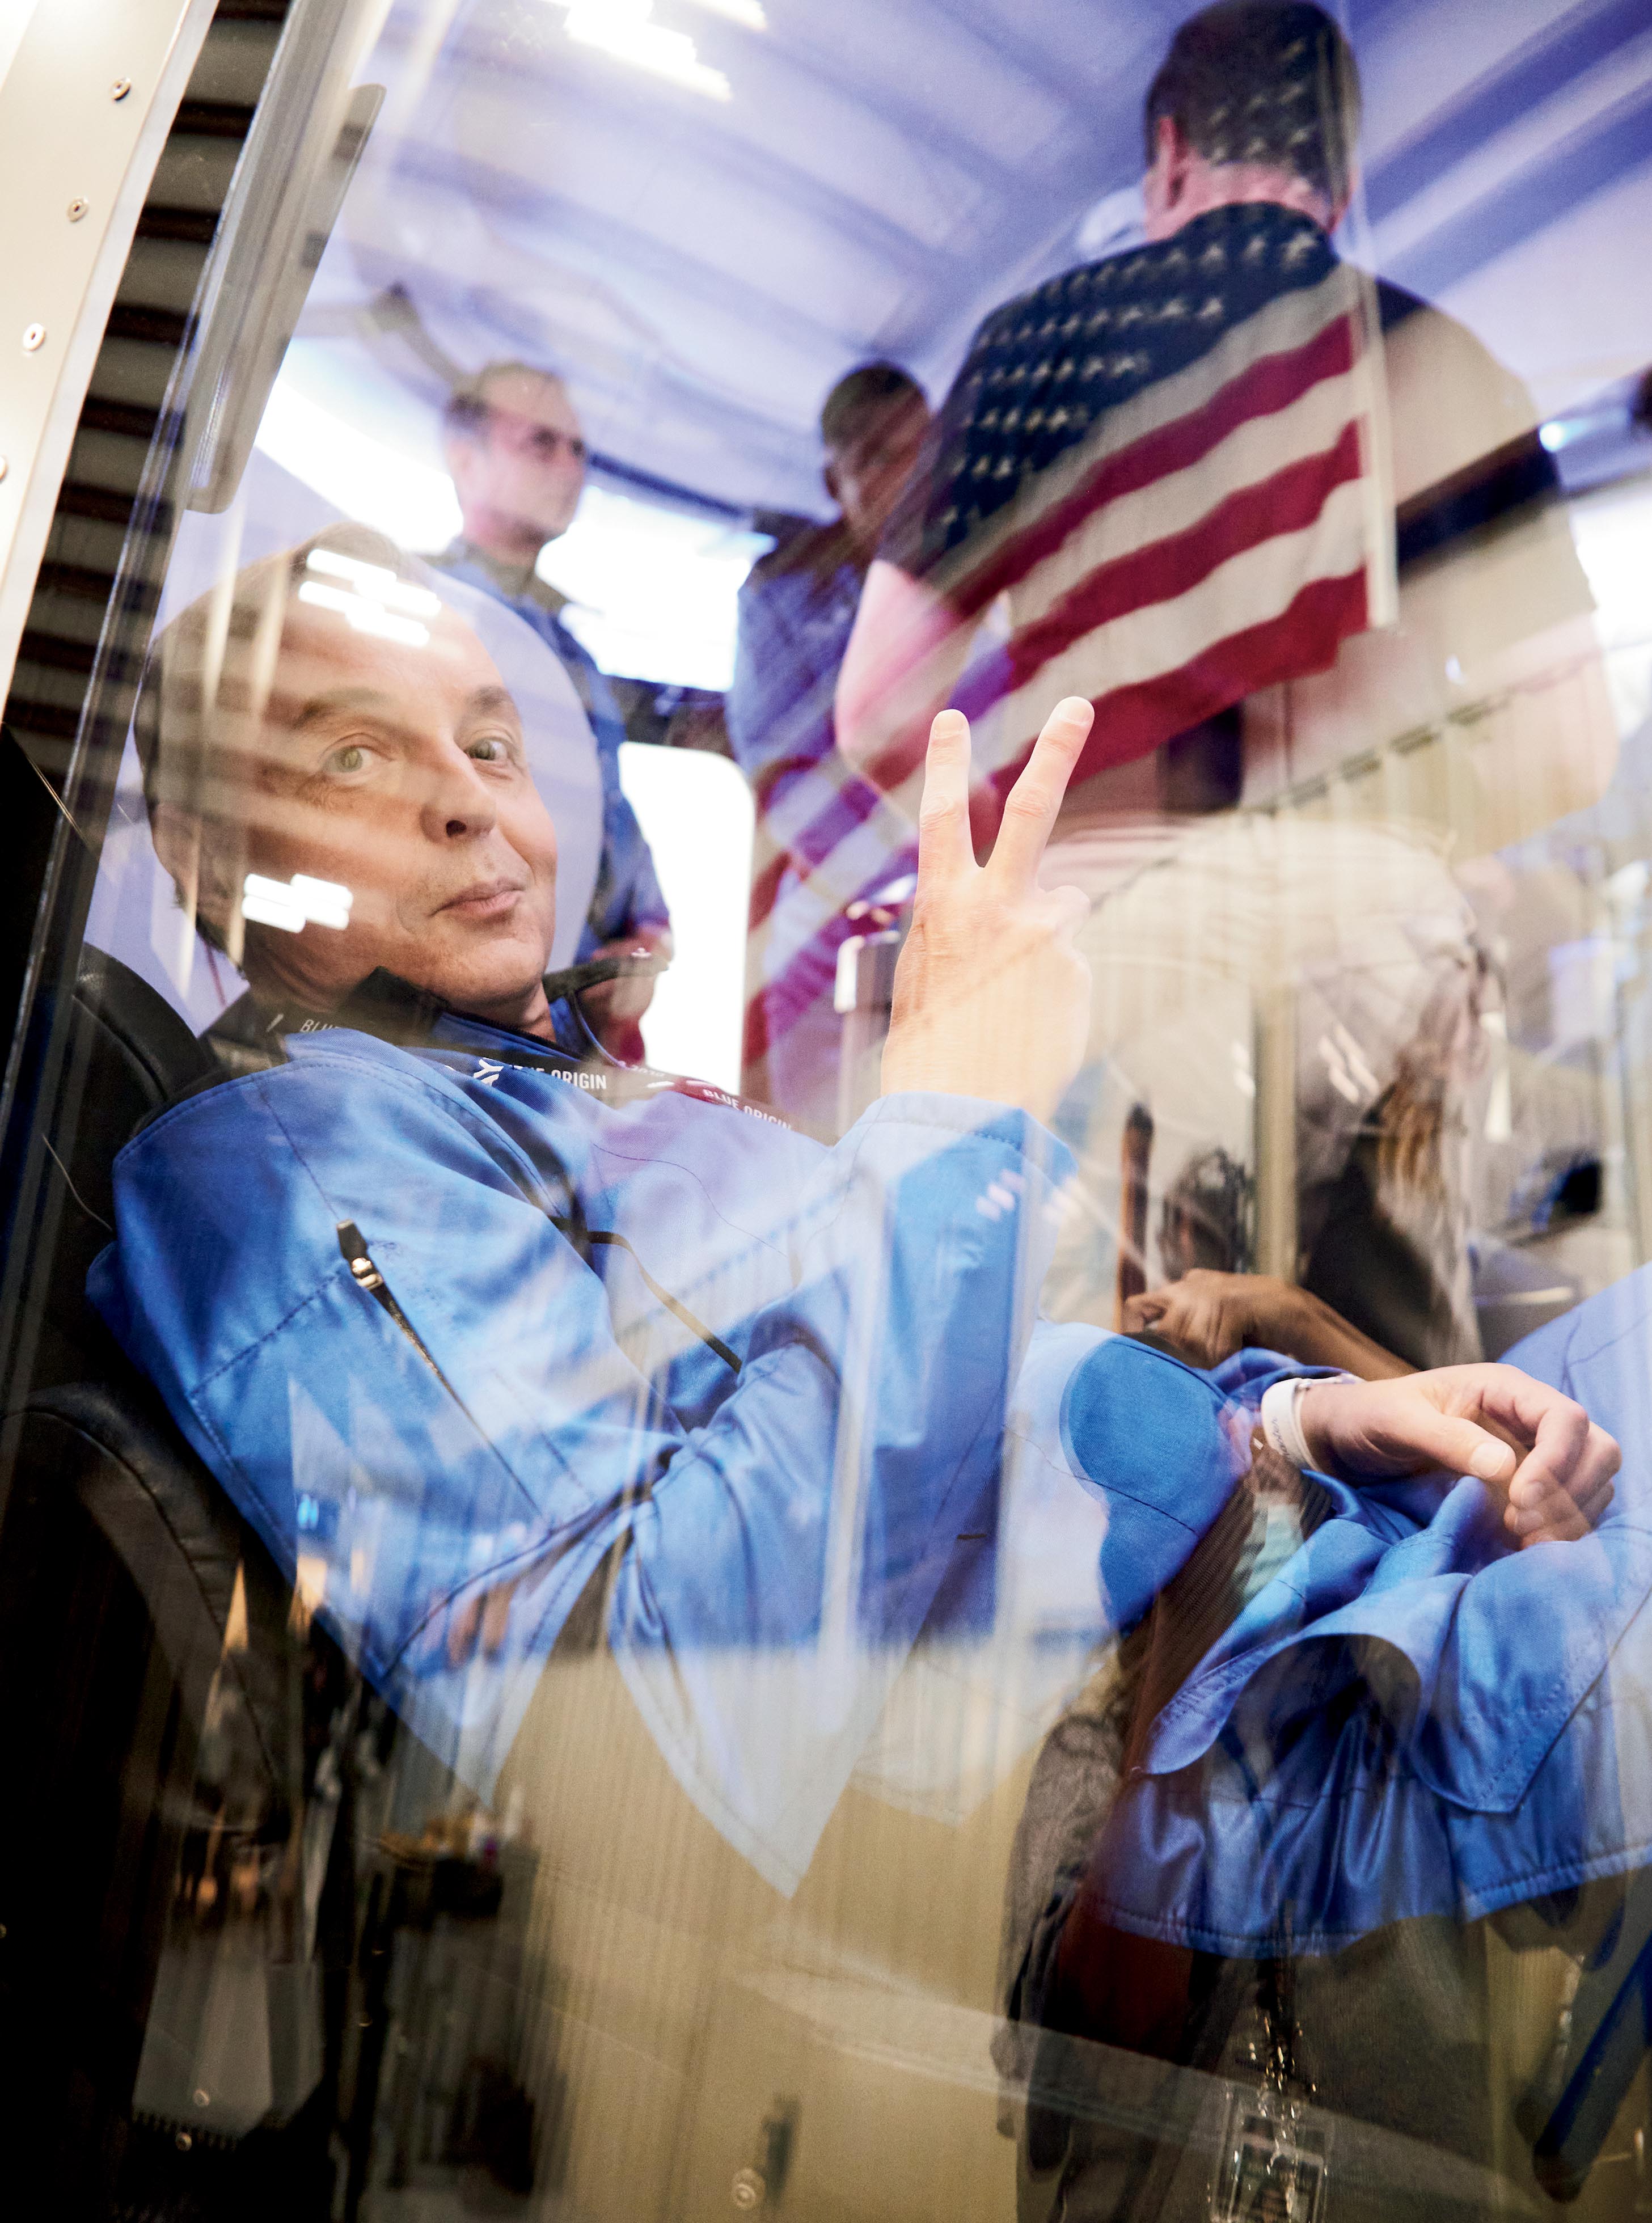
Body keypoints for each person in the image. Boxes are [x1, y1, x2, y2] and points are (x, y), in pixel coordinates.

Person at [434, 360, 671, 1059]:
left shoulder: (575, 653)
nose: (570, 466)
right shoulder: (428, 619)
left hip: (585, 1038)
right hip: (472, 1031)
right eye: (541, 442)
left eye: (580, 449)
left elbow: (610, 811)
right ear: (466, 460)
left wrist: (648, 935)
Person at [728, 362, 932, 1132]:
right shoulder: (780, 592)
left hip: (954, 892)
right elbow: (784, 785)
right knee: (820, 1154)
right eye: (873, 458)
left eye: (920, 449)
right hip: (825, 914)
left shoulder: (979, 571)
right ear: (832, 477)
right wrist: (904, 890)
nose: (903, 474)